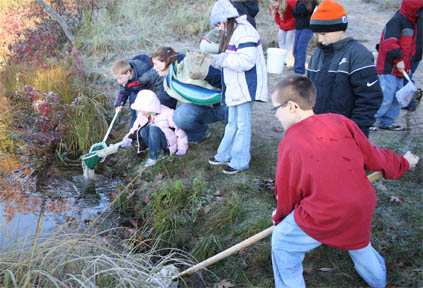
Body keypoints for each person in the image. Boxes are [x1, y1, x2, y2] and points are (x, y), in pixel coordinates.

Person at [270, 74, 419, 288]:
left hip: (326, 213)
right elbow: (373, 155)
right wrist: (402, 162)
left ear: (291, 106)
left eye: (276, 109)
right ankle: (379, 281)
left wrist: (280, 219)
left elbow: (287, 191)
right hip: (362, 205)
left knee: (282, 242)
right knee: (358, 241)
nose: (276, 116)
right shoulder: (341, 121)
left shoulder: (290, 142)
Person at [207, 0, 268, 174]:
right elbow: (230, 56)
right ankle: (225, 154)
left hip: (245, 86)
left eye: (219, 23)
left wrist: (222, 60)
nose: (219, 27)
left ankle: (240, 160)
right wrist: (218, 60)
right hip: (235, 86)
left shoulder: (245, 31)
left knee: (242, 124)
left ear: (228, 18)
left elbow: (246, 61)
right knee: (232, 122)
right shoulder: (233, 32)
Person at [306, 0, 383, 137]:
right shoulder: (317, 56)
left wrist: (356, 131)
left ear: (340, 28)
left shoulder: (358, 55)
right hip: (319, 130)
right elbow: (309, 92)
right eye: (317, 34)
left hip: (348, 132)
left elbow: (370, 98)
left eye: (324, 34)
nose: (320, 39)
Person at [150, 46, 225, 144]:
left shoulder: (190, 65)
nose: (154, 68)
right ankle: (201, 134)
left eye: (156, 64)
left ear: (166, 61)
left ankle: (230, 135)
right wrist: (151, 113)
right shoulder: (170, 82)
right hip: (204, 108)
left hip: (223, 101)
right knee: (179, 116)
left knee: (231, 112)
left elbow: (220, 79)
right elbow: (165, 102)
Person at [372, 0, 422, 131]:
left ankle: (388, 121)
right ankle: (370, 120)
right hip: (389, 68)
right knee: (386, 96)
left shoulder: (412, 23)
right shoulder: (397, 21)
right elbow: (389, 43)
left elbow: (409, 47)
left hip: (402, 69)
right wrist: (398, 59)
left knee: (397, 98)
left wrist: (408, 65)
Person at [121, 90, 188, 167]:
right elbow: (135, 128)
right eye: (141, 110)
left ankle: (153, 157)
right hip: (154, 142)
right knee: (143, 131)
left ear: (151, 108)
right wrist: (128, 138)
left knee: (154, 129)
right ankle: (156, 151)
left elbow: (179, 130)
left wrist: (182, 148)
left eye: (144, 111)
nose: (142, 113)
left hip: (167, 143)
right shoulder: (142, 115)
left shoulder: (167, 113)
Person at [111, 54, 177, 127]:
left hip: (152, 89)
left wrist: (158, 101)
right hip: (137, 90)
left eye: (120, 78)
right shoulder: (124, 79)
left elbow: (159, 83)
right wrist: (118, 104)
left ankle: (161, 126)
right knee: (134, 106)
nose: (118, 81)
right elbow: (123, 91)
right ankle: (135, 130)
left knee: (156, 111)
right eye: (117, 79)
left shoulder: (146, 74)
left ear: (128, 73)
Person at [402, 7, 422, 112]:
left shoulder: (407, 13)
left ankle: (409, 102)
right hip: (417, 52)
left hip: (408, 52)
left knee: (404, 77)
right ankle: (409, 101)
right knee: (408, 76)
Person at [291, 0, 318, 74]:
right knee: (295, 49)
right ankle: (297, 67)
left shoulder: (311, 2)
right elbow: (294, 13)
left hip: (307, 28)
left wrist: (298, 11)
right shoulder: (299, 1)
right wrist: (298, 11)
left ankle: (299, 71)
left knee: (300, 48)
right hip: (298, 27)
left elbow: (303, 10)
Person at [269, 0, 297, 66]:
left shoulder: (289, 3)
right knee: (281, 42)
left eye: (276, 3)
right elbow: (276, 17)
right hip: (283, 26)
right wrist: (281, 23)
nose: (274, 5)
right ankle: (282, 59)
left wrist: (291, 24)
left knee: (289, 43)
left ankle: (288, 61)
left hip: (292, 26)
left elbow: (296, 14)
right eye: (273, 3)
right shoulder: (273, 8)